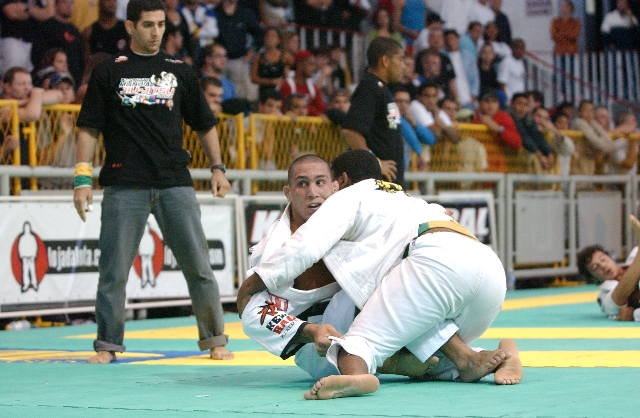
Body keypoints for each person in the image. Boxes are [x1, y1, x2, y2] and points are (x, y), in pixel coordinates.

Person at [237, 149, 523, 400]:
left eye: (321, 182)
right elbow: (254, 310)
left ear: (338, 184)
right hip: (314, 338)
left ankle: (366, 370)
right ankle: (477, 357)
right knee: (401, 299)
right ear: (289, 193)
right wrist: (307, 329)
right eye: (303, 184)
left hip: (425, 272)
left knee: (385, 297)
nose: (314, 192)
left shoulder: (348, 205)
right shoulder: (274, 248)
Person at [73, 0, 233, 364]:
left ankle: (215, 339)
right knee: (113, 271)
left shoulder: (181, 71)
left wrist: (218, 167)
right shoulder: (108, 71)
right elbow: (88, 129)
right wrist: (82, 179)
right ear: (130, 28)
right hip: (123, 184)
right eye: (147, 25)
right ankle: (108, 345)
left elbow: (205, 124)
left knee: (199, 267)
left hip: (174, 181)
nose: (156, 31)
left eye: (161, 24)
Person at [341, 37, 404, 187]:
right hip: (375, 185)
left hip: (389, 183)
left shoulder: (382, 89)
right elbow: (351, 131)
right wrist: (375, 163)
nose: (404, 66)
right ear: (385, 61)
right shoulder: (369, 88)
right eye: (400, 59)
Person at [577, 215, 640, 321]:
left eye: (603, 259)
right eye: (595, 267)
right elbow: (619, 298)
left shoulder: (635, 254)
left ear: (611, 258)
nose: (603, 266)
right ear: (593, 278)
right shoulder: (603, 296)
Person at [215, 0, 263, 102]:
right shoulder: (215, 11)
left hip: (239, 60)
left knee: (240, 95)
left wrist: (252, 51)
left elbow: (259, 33)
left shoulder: (244, 13)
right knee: (217, 90)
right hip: (218, 59)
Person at [30, 0, 84, 88]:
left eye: (72, 3)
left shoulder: (75, 31)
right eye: (65, 2)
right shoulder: (46, 27)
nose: (69, 6)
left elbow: (80, 59)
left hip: (73, 82)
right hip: (50, 81)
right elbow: (37, 56)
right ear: (56, 5)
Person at [0, 0, 54, 75]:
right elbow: (11, 12)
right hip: (14, 41)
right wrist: (37, 11)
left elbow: (49, 13)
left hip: (36, 45)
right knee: (12, 77)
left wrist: (27, 8)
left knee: (27, 82)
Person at [473, 91, 522, 172]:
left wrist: (498, 129)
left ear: (498, 104)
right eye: (487, 101)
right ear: (479, 103)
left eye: (494, 101)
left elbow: (517, 143)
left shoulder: (504, 117)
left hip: (497, 169)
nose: (490, 105)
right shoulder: (472, 117)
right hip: (476, 169)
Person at [507, 93, 555, 173]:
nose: (522, 108)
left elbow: (536, 134)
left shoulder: (526, 120)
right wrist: (540, 155)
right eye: (519, 103)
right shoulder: (509, 114)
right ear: (512, 105)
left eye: (525, 105)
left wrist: (549, 154)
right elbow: (523, 134)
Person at [394, 87, 435, 172]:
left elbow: (430, 139)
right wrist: (419, 152)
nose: (403, 105)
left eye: (406, 102)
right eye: (399, 101)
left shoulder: (408, 121)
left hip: (403, 168)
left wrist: (414, 124)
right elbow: (404, 128)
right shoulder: (390, 118)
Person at [572, 100, 615, 175]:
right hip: (578, 172)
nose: (589, 113)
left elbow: (608, 142)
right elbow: (597, 143)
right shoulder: (579, 123)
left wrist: (603, 150)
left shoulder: (592, 123)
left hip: (588, 171)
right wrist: (605, 149)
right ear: (579, 112)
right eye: (586, 110)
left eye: (591, 110)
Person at [278, 50, 326, 117]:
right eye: (310, 64)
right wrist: (313, 112)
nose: (313, 68)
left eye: (314, 64)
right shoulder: (287, 85)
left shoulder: (312, 87)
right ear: (300, 64)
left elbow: (322, 109)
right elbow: (284, 109)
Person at [251, 27, 287, 99]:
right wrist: (270, 81)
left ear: (279, 40)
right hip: (264, 93)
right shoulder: (259, 57)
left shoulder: (284, 56)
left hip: (280, 92)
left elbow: (289, 75)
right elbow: (253, 78)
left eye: (273, 36)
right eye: (267, 36)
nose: (270, 38)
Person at [498, 38, 526, 105]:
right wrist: (507, 100)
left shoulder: (520, 62)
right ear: (512, 48)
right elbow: (501, 83)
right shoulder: (506, 62)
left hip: (519, 100)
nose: (520, 50)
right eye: (517, 48)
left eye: (522, 48)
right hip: (510, 101)